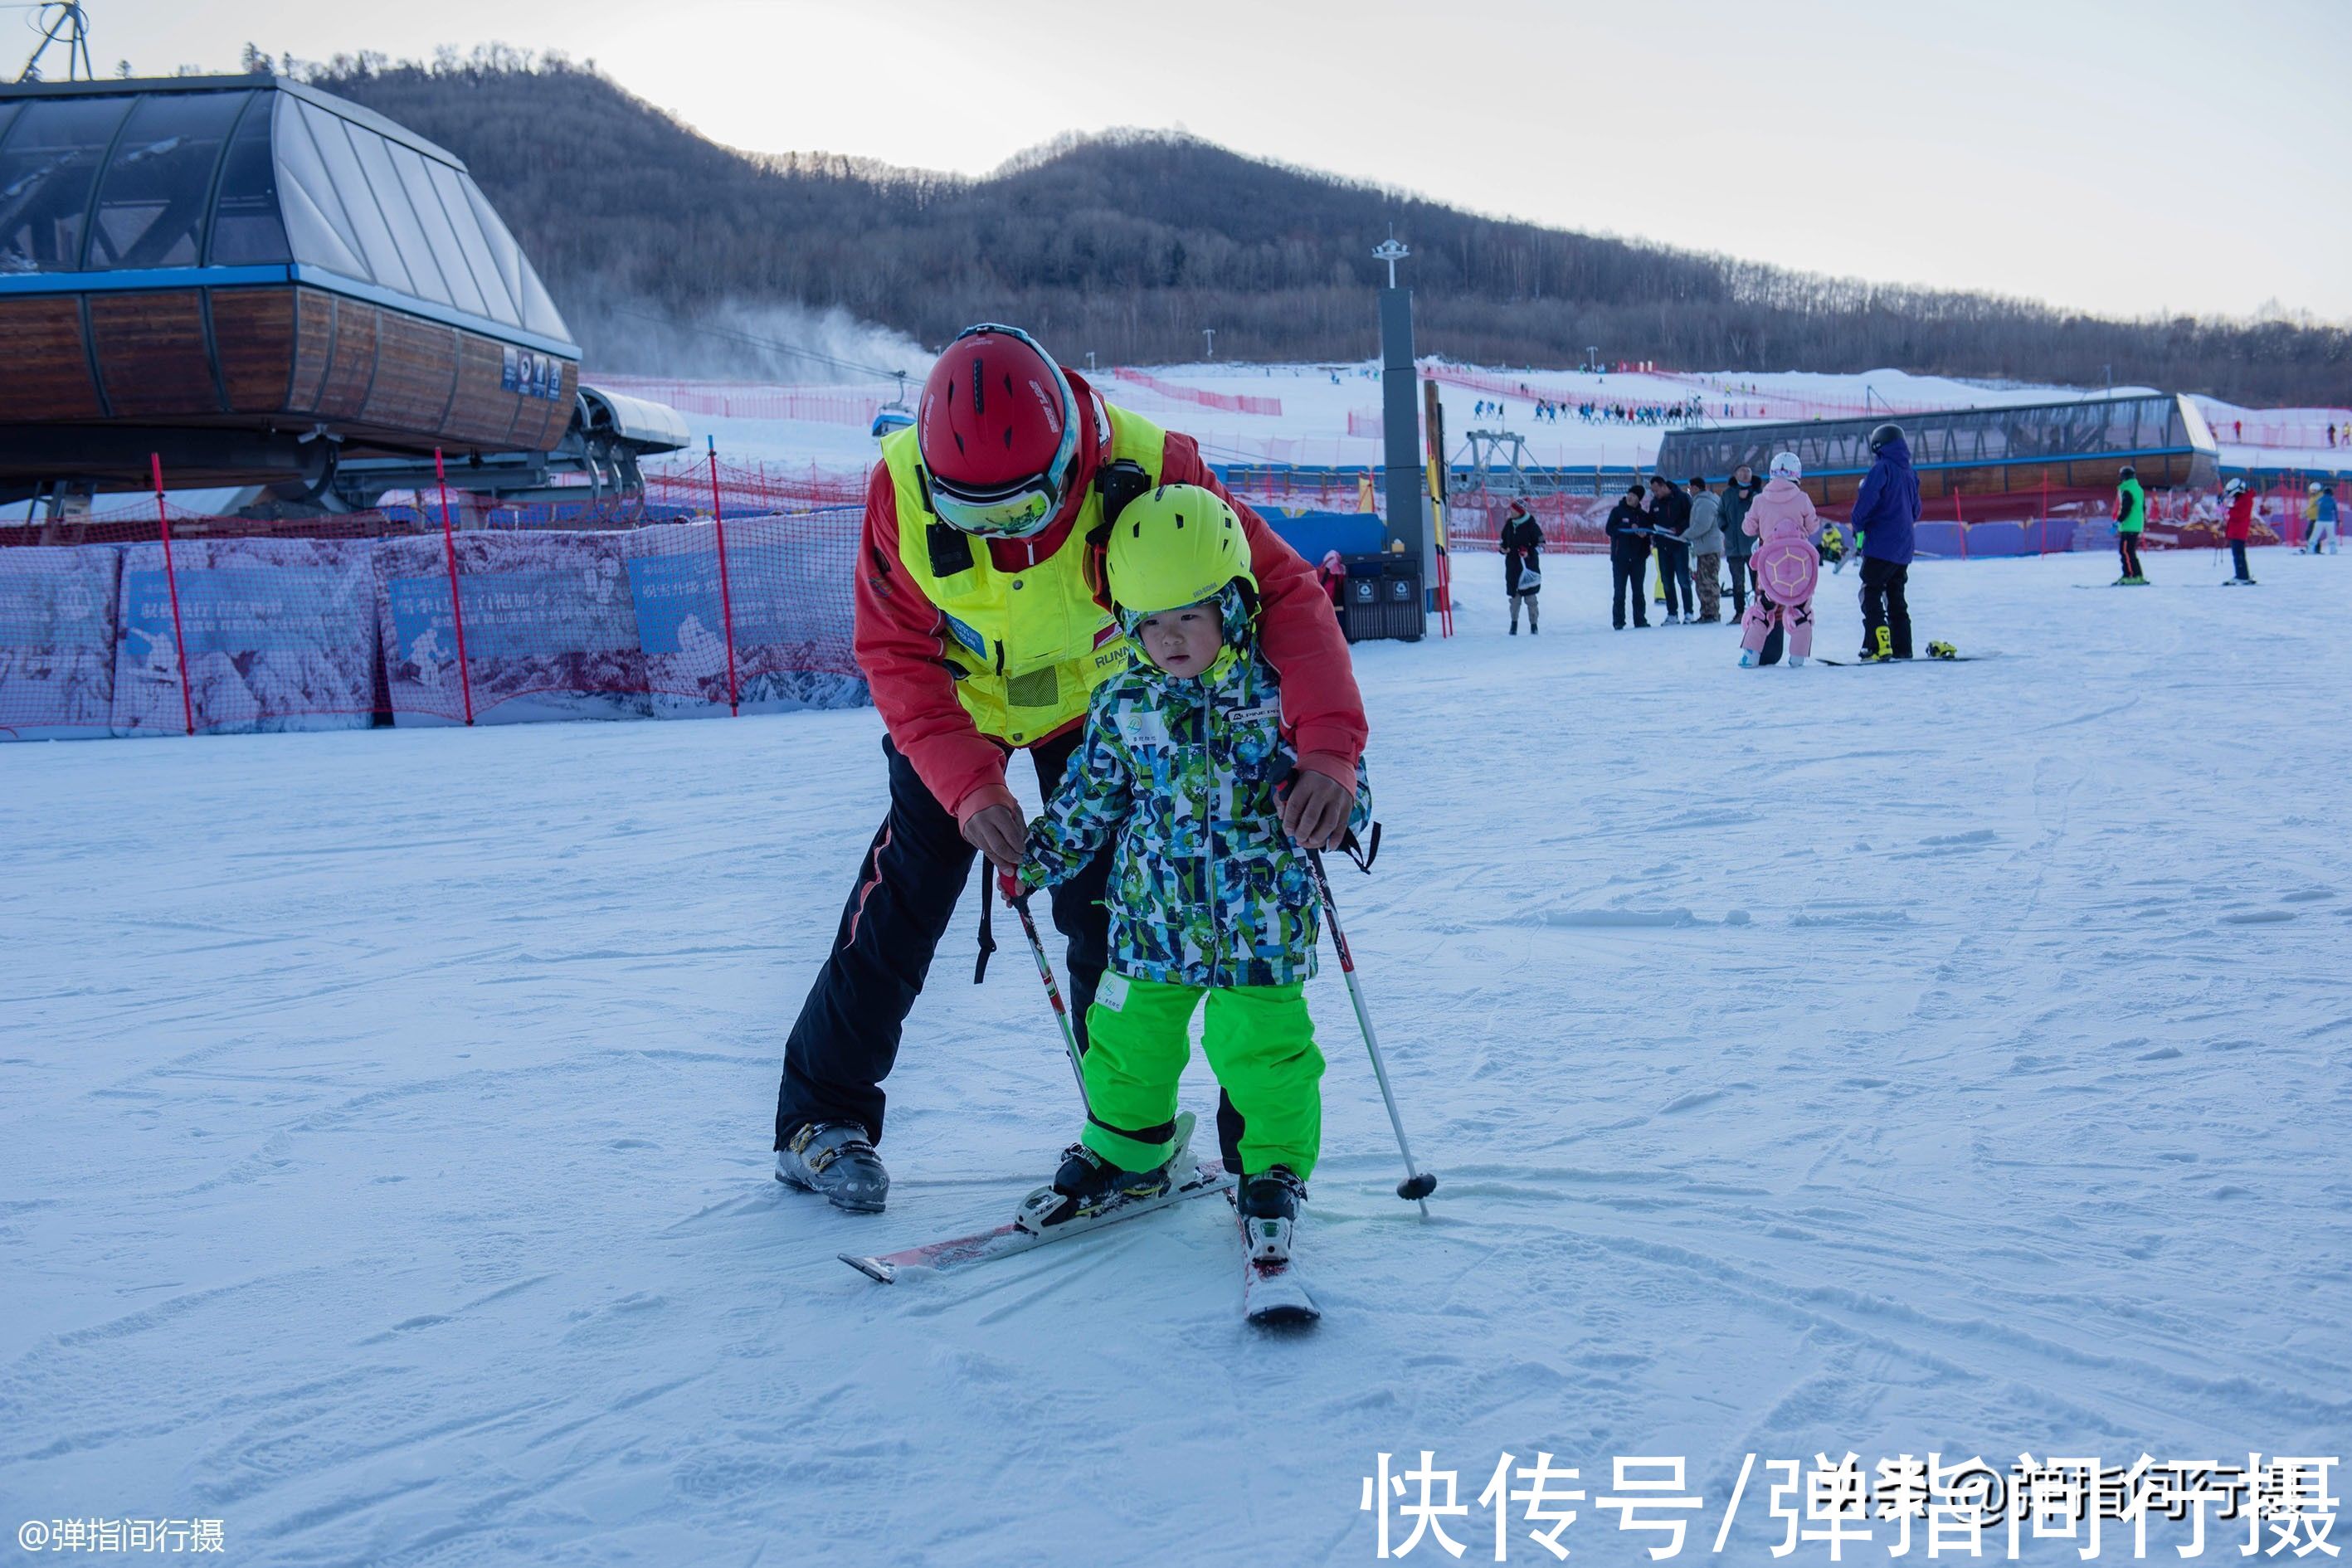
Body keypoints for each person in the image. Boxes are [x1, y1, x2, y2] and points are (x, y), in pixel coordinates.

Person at [771, 324, 1367, 1212]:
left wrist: (1326, 748)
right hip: (959, 708)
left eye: (1023, 511)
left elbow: (1274, 587)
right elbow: (894, 648)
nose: (1003, 534)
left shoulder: (1152, 467)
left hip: (1100, 706)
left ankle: (1137, 1134)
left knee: (1112, 909)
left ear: (1069, 465)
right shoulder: (898, 491)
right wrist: (970, 786)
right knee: (906, 895)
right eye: (975, 516)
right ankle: (819, 1119)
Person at [1009, 485, 1372, 1265]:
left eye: (1189, 617)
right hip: (1150, 926)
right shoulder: (1119, 704)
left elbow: (1342, 775)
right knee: (1125, 1041)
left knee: (1265, 1054)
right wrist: (1037, 858)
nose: (1169, 638)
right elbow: (1089, 802)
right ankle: (1127, 1152)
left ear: (1233, 610)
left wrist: (1335, 805)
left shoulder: (1277, 696)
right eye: (1151, 622)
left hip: (1260, 928)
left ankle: (1271, 1167)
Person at [1737, 452, 1822, 668]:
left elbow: (1747, 529)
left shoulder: (1759, 500)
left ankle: (1751, 656)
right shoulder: (1802, 498)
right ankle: (1797, 659)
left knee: (1764, 608)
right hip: (1799, 565)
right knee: (1802, 609)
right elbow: (1813, 527)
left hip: (1770, 566)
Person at [1850, 422, 1921, 660]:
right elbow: (1916, 510)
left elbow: (1866, 503)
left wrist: (1858, 524)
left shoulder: (1882, 469)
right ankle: (1902, 646)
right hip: (1904, 548)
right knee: (1895, 596)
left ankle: (1876, 645)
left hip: (1881, 545)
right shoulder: (1910, 472)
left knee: (1870, 591)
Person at [1605, 482, 1652, 630]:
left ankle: (1640, 620)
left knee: (1638, 591)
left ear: (1639, 499)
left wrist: (1645, 534)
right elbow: (1609, 529)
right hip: (1620, 559)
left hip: (1638, 559)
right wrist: (1627, 527)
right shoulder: (1617, 512)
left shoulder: (1643, 516)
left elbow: (1649, 531)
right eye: (1629, 495)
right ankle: (1618, 621)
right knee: (1620, 591)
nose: (1630, 498)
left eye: (1633, 496)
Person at [1648, 475, 1692, 623]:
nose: (1655, 494)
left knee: (1683, 579)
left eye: (1656, 491)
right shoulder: (1655, 503)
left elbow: (1691, 518)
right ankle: (1672, 613)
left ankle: (1688, 612)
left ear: (1663, 486)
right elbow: (1651, 521)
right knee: (1667, 581)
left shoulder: (1682, 498)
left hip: (1679, 544)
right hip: (1662, 546)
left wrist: (1679, 528)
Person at [1720, 462, 1761, 618]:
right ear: (1736, 475)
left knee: (1757, 582)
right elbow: (1720, 514)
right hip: (1733, 546)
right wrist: (1725, 528)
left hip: (1752, 546)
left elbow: (1762, 513)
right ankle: (1739, 612)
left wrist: (1751, 496)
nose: (1745, 474)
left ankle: (1759, 612)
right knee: (1737, 582)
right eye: (1742, 471)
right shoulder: (1727, 494)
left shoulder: (1758, 494)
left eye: (1748, 471)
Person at [1684, 475, 1725, 622]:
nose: (1689, 491)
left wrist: (1686, 535)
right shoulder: (1703, 501)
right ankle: (1707, 612)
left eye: (1690, 488)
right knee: (1703, 581)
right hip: (1705, 548)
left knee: (1708, 581)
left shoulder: (1705, 503)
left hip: (1708, 549)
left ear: (1695, 488)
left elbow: (1701, 525)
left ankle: (1711, 613)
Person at [1500, 499, 1544, 634]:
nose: (1511, 512)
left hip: (1528, 568)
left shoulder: (1532, 526)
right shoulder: (1508, 525)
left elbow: (1541, 546)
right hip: (1513, 568)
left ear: (1520, 512)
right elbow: (1502, 541)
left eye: (1513, 510)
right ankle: (1514, 624)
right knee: (1514, 600)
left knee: (1531, 599)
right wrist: (1503, 549)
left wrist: (1528, 553)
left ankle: (1534, 625)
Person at [2114, 465, 2151, 584]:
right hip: (2136, 525)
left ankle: (2129, 576)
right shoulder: (2138, 489)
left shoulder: (2128, 489)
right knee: (2130, 551)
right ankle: (2137, 575)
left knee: (2125, 551)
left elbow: (2126, 508)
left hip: (2128, 525)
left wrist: (2118, 521)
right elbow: (2143, 508)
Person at [2223, 478, 2257, 584]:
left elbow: (2238, 514)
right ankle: (2242, 575)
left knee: (2238, 555)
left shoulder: (2245, 499)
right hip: (2237, 530)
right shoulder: (2243, 498)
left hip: (2238, 531)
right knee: (2238, 554)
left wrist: (2226, 509)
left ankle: (2242, 576)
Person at [2306, 482, 2340, 554]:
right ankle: (2333, 550)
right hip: (2330, 521)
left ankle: (2310, 550)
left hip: (2320, 521)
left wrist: (2307, 514)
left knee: (2315, 535)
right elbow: (2336, 511)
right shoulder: (2333, 500)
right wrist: (2338, 521)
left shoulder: (2320, 499)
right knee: (2331, 536)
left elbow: (2313, 506)